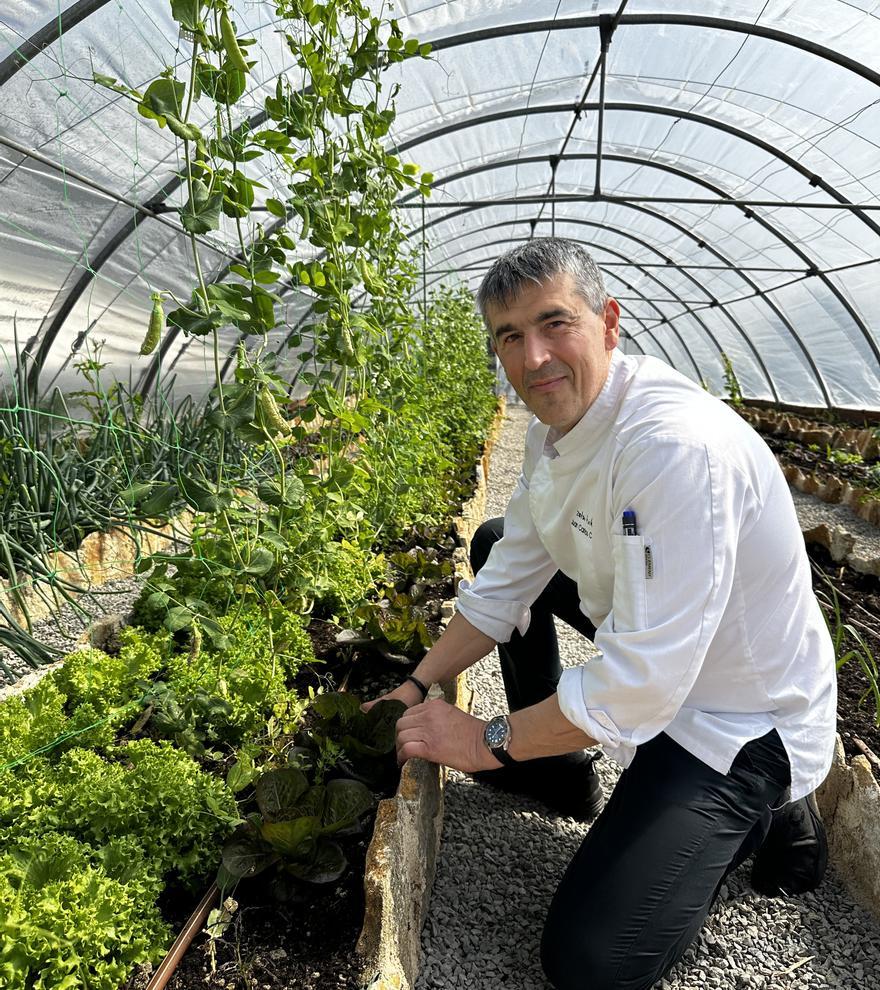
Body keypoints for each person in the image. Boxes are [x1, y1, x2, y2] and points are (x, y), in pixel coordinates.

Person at [365, 238, 836, 990]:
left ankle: (773, 813)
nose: (535, 356)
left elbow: (640, 689)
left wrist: (489, 737)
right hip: (658, 645)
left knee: (593, 960)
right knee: (494, 543)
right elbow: (506, 578)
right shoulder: (560, 433)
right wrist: (417, 686)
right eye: (510, 337)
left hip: (739, 716)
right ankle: (556, 774)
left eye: (556, 324)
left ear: (609, 322)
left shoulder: (674, 450)